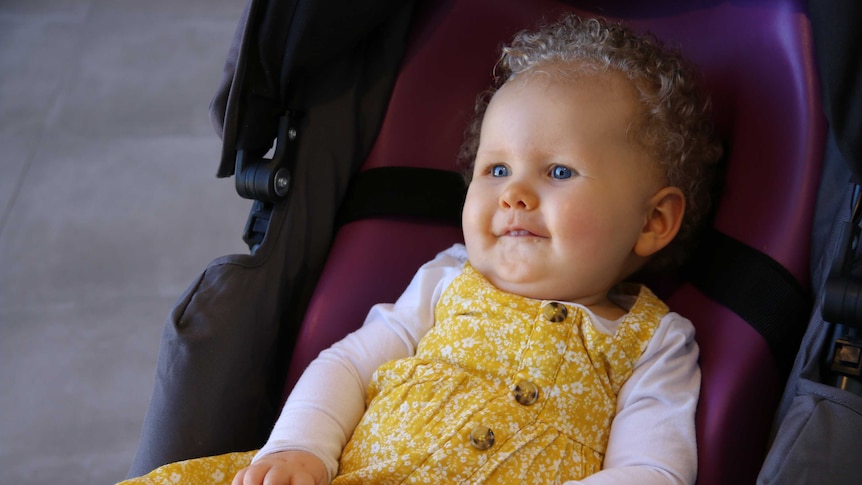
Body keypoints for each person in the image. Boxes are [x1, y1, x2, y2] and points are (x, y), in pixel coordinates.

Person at [120, 14, 720, 485]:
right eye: (496, 168)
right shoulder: (446, 282)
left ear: (654, 221)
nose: (513, 194)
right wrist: (301, 448)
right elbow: (348, 367)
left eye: (559, 172)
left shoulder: (653, 341)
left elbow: (654, 471)